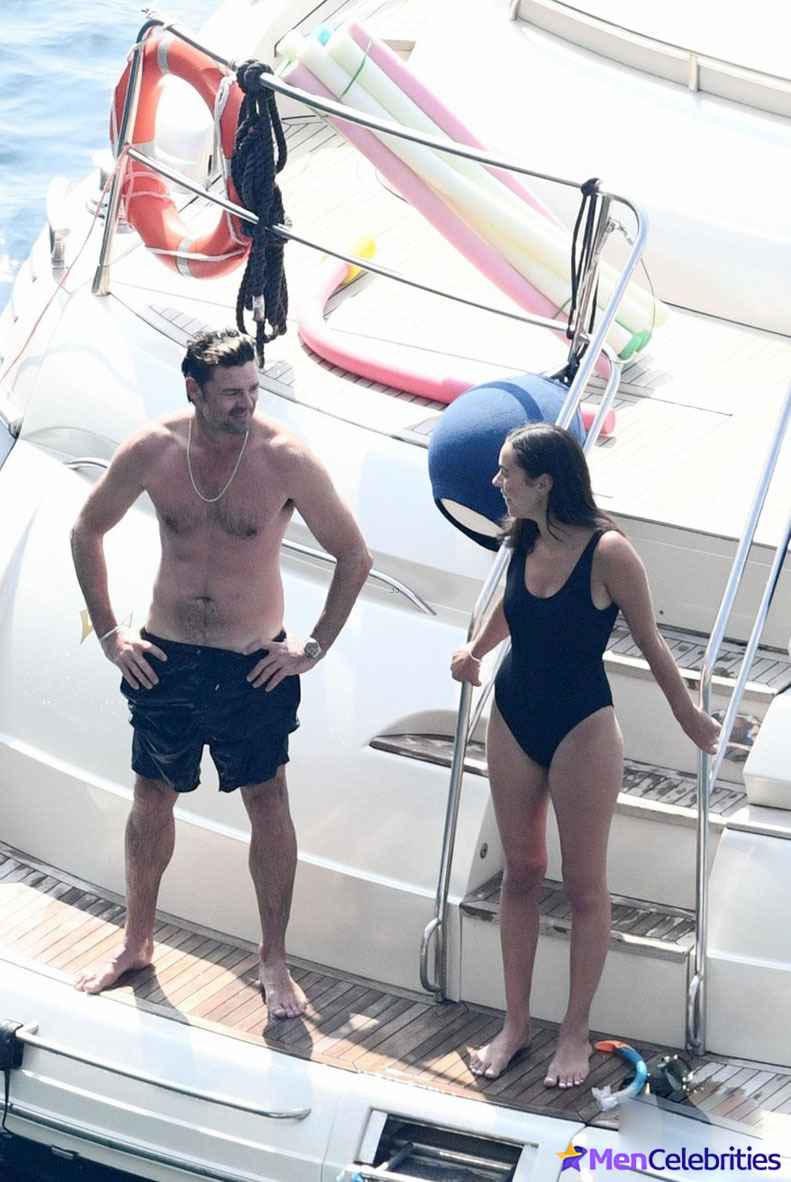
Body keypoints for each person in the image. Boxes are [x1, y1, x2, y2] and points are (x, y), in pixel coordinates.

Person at [71, 328, 372, 1018]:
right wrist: (111, 634)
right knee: (152, 796)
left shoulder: (284, 458)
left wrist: (312, 648)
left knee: (267, 801)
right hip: (167, 658)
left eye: (253, 388)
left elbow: (354, 554)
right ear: (194, 390)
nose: (247, 402)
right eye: (232, 392)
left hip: (252, 664)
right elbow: (86, 529)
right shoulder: (152, 449)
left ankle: (273, 959)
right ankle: (136, 942)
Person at [451, 423, 719, 1086]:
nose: (496, 481)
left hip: (582, 727)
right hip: (514, 713)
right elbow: (515, 607)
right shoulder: (521, 534)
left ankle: (574, 1032)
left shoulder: (609, 552)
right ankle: (515, 1025)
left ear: (544, 482)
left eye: (507, 472)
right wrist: (476, 649)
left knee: (582, 885)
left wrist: (687, 716)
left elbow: (651, 642)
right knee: (520, 870)